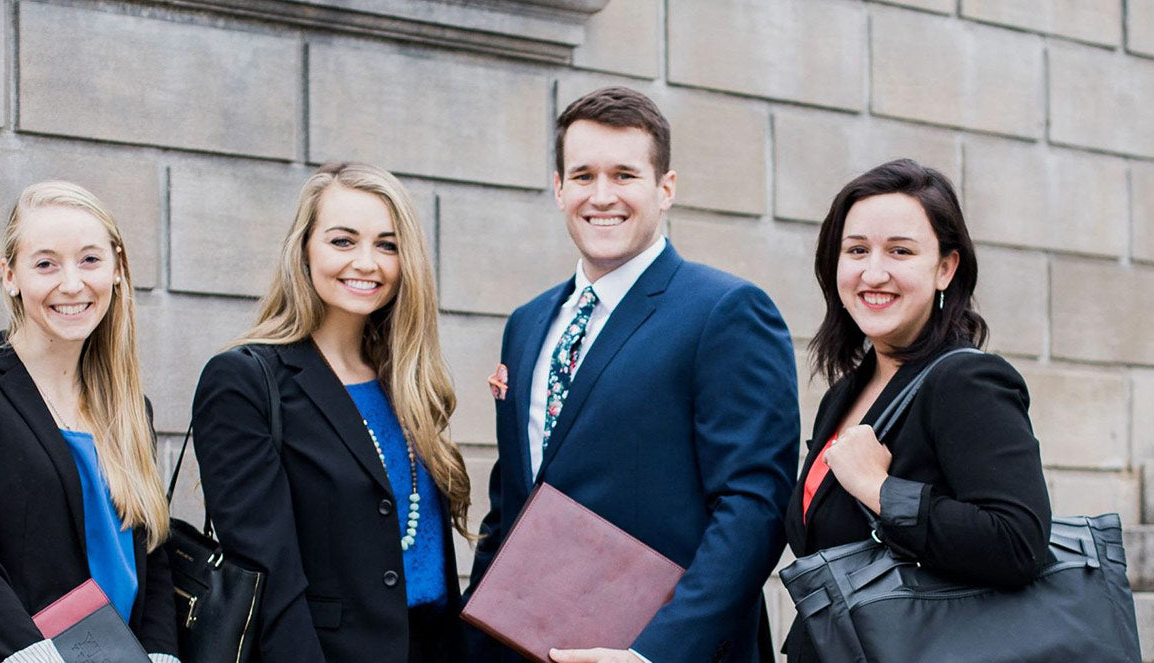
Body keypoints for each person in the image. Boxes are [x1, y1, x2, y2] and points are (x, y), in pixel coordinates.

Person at [467, 86, 799, 663]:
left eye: (624, 175)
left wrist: (654, 654)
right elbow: (513, 503)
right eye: (583, 175)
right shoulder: (526, 325)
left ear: (665, 188)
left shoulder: (726, 311)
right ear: (558, 188)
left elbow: (753, 506)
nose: (602, 196)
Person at [190, 162, 472, 663]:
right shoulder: (245, 381)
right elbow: (270, 578)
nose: (367, 262)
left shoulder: (407, 380)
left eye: (387, 245)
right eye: (343, 241)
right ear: (304, 250)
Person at [780, 159, 1051, 661]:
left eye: (900, 251)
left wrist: (881, 491)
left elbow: (1019, 543)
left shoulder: (966, 381)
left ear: (945, 267)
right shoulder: (845, 394)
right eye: (856, 250)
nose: (873, 272)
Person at [0, 181, 180, 663]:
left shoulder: (130, 407)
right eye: (46, 263)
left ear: (117, 269)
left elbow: (152, 553)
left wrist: (160, 654)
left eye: (90, 260)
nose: (71, 284)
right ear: (11, 275)